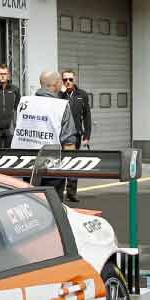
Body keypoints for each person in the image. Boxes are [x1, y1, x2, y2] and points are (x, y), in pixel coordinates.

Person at [11, 70, 76, 201]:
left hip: (27, 166)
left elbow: (14, 130)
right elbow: (69, 142)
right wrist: (70, 173)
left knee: (31, 204)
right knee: (53, 207)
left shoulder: (24, 102)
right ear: (57, 84)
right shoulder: (61, 106)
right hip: (52, 168)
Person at [60, 69, 92, 202]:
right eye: (65, 80)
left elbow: (87, 116)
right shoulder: (58, 95)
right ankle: (59, 191)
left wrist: (87, 135)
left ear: (75, 80)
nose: (68, 82)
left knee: (73, 163)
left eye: (70, 79)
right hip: (60, 135)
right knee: (60, 162)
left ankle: (72, 192)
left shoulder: (82, 95)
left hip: (76, 134)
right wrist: (60, 94)